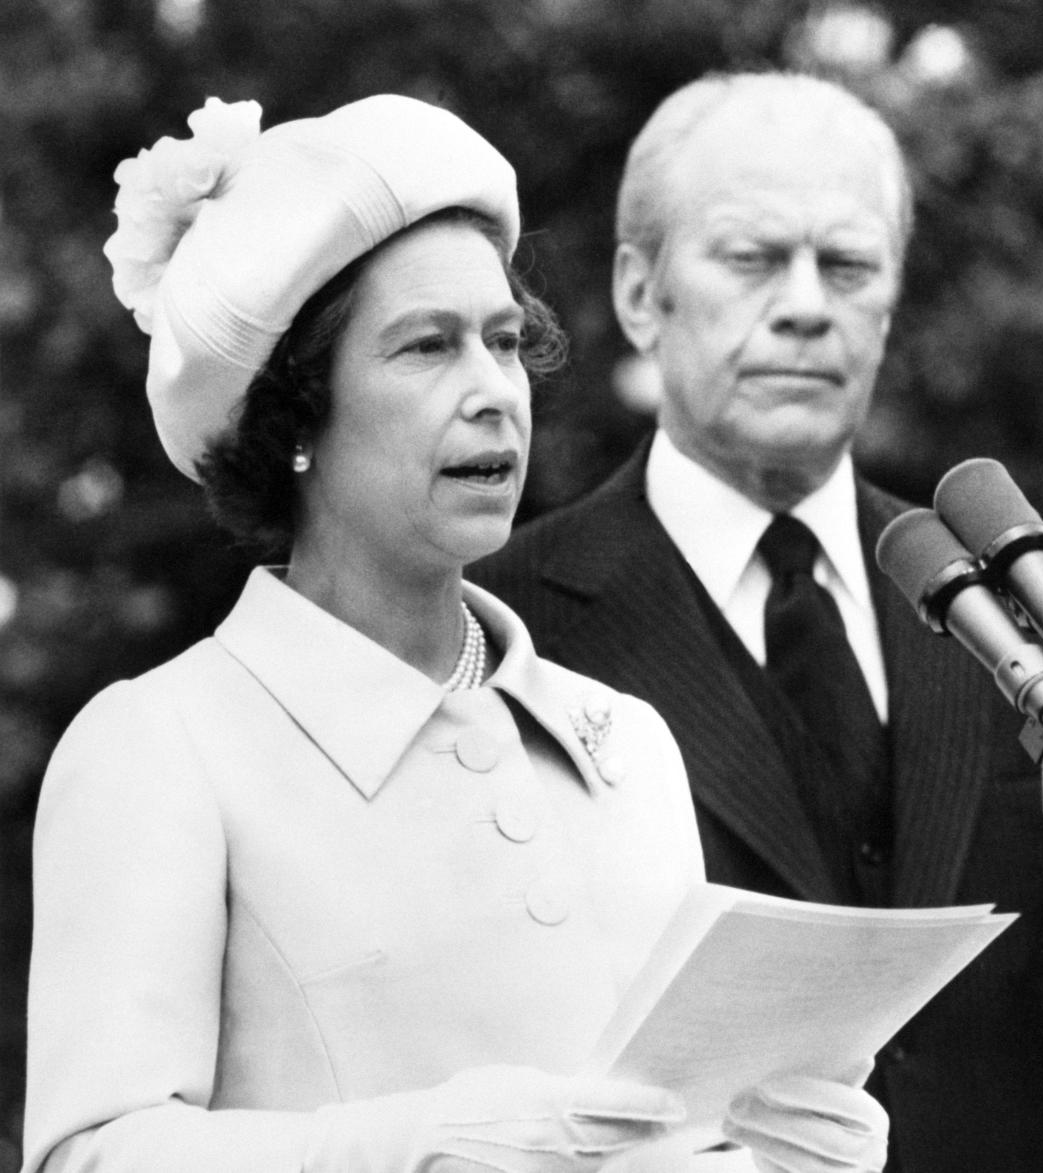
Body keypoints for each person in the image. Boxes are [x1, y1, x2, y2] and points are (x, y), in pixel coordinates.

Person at [21, 94, 890, 1173]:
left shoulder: (625, 741)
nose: (495, 394)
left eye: (506, 341)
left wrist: (772, 1156)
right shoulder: (158, 747)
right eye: (427, 348)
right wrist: (410, 1147)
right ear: (291, 419)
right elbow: (93, 1156)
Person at [471, 71, 1043, 1172]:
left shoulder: (1020, 604)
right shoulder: (504, 624)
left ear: (890, 303)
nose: (807, 304)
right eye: (754, 258)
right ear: (636, 293)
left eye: (848, 266)